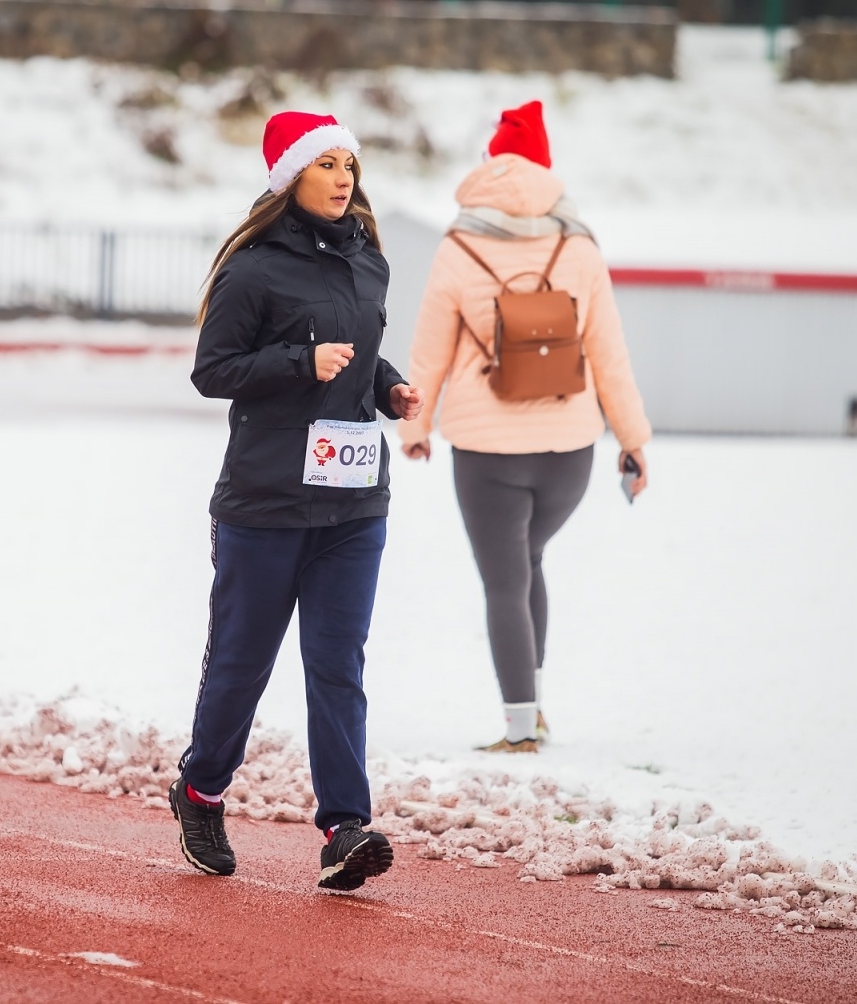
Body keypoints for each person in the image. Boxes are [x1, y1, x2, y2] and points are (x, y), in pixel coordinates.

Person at [170, 111, 424, 892]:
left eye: (350, 163)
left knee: (337, 666)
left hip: (353, 502)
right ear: (291, 178)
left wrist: (388, 387)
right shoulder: (253, 271)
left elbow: (363, 351)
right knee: (243, 663)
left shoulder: (370, 262)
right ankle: (201, 791)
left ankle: (346, 827)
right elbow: (213, 371)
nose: (344, 177)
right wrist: (299, 362)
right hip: (265, 502)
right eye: (326, 165)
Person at [398, 101, 652, 753]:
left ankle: (520, 726)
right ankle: (532, 708)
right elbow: (609, 354)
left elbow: (430, 351)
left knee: (505, 581)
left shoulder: (458, 248)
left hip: (486, 452)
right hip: (570, 449)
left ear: (489, 167)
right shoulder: (580, 247)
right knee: (530, 562)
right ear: (546, 167)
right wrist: (632, 439)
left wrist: (416, 425)